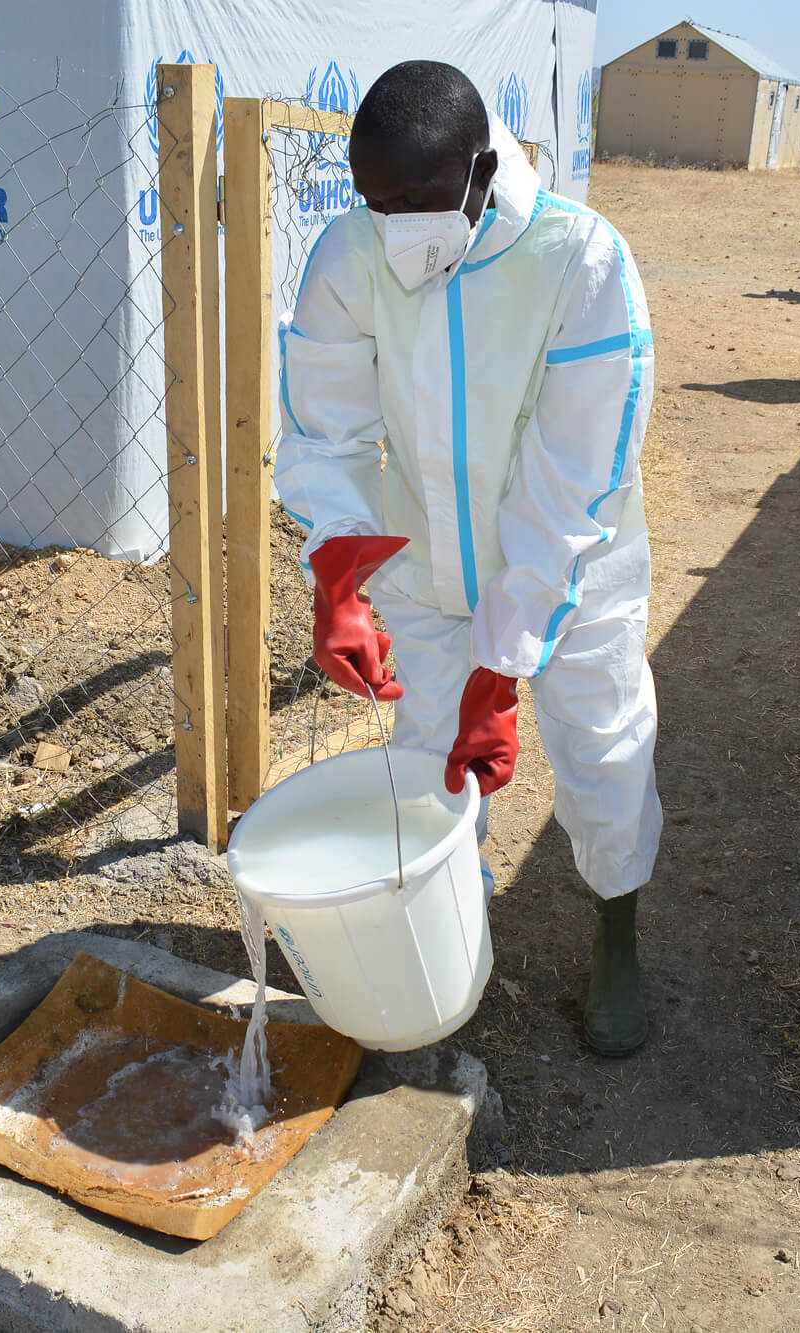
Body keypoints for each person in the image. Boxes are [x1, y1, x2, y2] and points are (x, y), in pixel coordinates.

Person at [275, 60, 661, 1057]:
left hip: (570, 567)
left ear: (482, 165)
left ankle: (614, 925)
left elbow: (572, 478)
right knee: (429, 763)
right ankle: (451, 918)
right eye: (372, 202)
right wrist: (339, 579)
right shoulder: (349, 254)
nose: (393, 224)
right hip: (425, 562)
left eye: (413, 199)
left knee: (600, 741)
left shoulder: (578, 259)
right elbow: (326, 432)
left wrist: (509, 653)